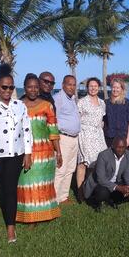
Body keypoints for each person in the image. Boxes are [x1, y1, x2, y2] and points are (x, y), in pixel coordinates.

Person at [0, 64, 33, 243]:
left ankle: (10, 229)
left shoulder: (19, 105)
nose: (8, 90)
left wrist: (28, 153)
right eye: (4, 87)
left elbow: (27, 129)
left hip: (15, 155)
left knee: (10, 191)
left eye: (11, 87)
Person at [16, 74, 63, 224]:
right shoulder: (17, 105)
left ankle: (46, 214)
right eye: (30, 87)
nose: (33, 90)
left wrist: (59, 152)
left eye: (36, 87)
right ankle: (28, 217)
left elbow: (53, 131)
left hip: (45, 155)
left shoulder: (46, 105)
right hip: (24, 153)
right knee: (27, 185)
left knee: (43, 186)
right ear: (24, 88)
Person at [75, 77, 107, 202]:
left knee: (95, 164)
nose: (93, 88)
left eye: (95, 86)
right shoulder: (82, 102)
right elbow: (77, 119)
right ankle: (80, 192)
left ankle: (89, 190)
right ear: (87, 88)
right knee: (83, 163)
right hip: (85, 134)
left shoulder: (102, 102)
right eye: (91, 86)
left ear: (98, 88)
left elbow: (101, 120)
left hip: (98, 135)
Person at [84, 137, 129, 211]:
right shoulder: (103, 155)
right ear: (113, 146)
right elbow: (101, 179)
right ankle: (97, 202)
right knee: (102, 193)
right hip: (100, 184)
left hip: (116, 182)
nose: (121, 150)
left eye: (123, 147)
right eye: (118, 147)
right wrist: (119, 188)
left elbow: (128, 173)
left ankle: (111, 200)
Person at [53, 75, 81, 204]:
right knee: (60, 169)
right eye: (69, 84)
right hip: (63, 138)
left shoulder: (72, 98)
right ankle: (54, 200)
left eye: (74, 85)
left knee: (70, 169)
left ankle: (63, 197)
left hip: (74, 138)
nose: (72, 87)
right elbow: (54, 120)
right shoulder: (58, 98)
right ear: (63, 84)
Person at [104, 78, 129, 148]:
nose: (115, 90)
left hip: (123, 137)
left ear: (122, 89)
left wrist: (128, 138)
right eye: (113, 87)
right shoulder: (106, 103)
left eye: (118, 88)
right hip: (109, 137)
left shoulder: (127, 103)